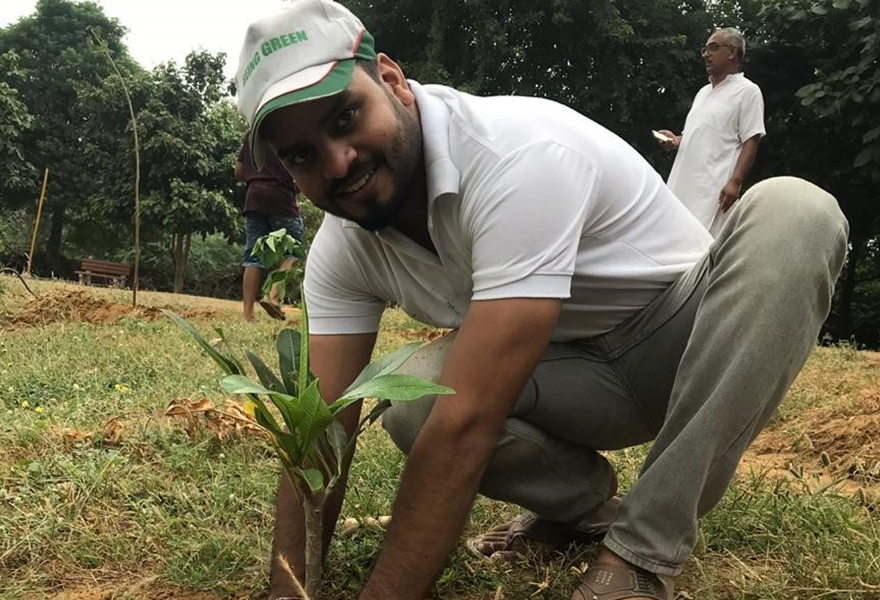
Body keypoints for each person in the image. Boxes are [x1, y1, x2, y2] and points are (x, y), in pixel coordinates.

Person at [234, 2, 848, 599]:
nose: (338, 163)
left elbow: (469, 423)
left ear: (391, 80)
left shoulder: (516, 152)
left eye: (344, 119)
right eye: (302, 155)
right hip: (567, 376)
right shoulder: (343, 248)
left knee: (796, 212)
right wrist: (289, 588)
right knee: (411, 400)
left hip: (685, 341)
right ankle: (584, 509)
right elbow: (319, 432)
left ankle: (643, 548)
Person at [656, 28, 765, 237]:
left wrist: (735, 181)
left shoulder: (747, 91)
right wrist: (675, 140)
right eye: (704, 49)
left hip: (713, 191)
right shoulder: (703, 92)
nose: (706, 54)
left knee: (702, 247)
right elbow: (698, 137)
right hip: (682, 183)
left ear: (732, 52)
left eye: (713, 48)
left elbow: (751, 140)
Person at [234, 131, 304, 322]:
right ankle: (272, 295)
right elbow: (300, 167)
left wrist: (258, 175)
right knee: (295, 250)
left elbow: (239, 171)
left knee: (253, 256)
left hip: (254, 198)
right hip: (281, 198)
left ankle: (247, 315)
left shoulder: (251, 136)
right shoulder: (284, 130)